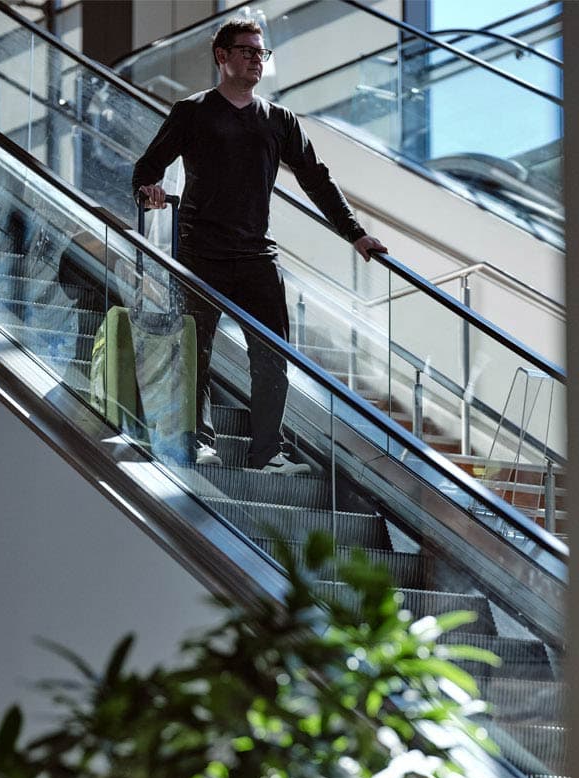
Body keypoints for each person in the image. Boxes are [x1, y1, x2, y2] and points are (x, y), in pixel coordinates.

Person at [131, 17, 387, 476]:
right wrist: (146, 191)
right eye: (247, 51)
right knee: (196, 352)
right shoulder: (192, 112)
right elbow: (146, 167)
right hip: (199, 253)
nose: (255, 59)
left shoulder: (279, 121)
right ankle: (198, 442)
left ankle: (266, 454)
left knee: (272, 359)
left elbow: (316, 178)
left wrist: (355, 233)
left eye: (260, 52)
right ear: (222, 57)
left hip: (256, 255)